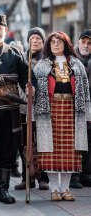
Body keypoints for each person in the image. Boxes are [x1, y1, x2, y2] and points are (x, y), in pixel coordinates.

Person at [0, 14, 37, 204]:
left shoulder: (15, 54)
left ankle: (3, 190)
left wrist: (31, 86)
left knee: (6, 150)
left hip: (8, 111)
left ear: (5, 31)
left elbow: (26, 77)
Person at [33, 31, 90, 201]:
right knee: (51, 152)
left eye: (60, 42)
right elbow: (34, 94)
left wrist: (88, 114)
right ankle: (54, 190)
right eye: (53, 42)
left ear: (66, 44)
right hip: (49, 113)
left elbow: (86, 92)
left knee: (69, 152)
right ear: (49, 45)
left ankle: (65, 189)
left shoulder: (76, 64)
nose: (56, 45)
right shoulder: (41, 65)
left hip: (72, 112)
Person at [15, 27, 49, 191]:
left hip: (41, 110)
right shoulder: (21, 59)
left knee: (41, 143)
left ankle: (43, 177)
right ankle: (26, 177)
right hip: (22, 107)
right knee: (24, 144)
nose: (35, 41)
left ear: (43, 42)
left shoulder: (47, 60)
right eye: (32, 38)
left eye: (38, 39)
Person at [70, 29, 91, 188]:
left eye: (89, 43)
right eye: (83, 42)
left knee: (88, 142)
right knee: (74, 141)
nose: (86, 45)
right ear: (78, 43)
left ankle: (86, 175)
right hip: (73, 107)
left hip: (89, 107)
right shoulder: (70, 60)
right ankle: (74, 176)